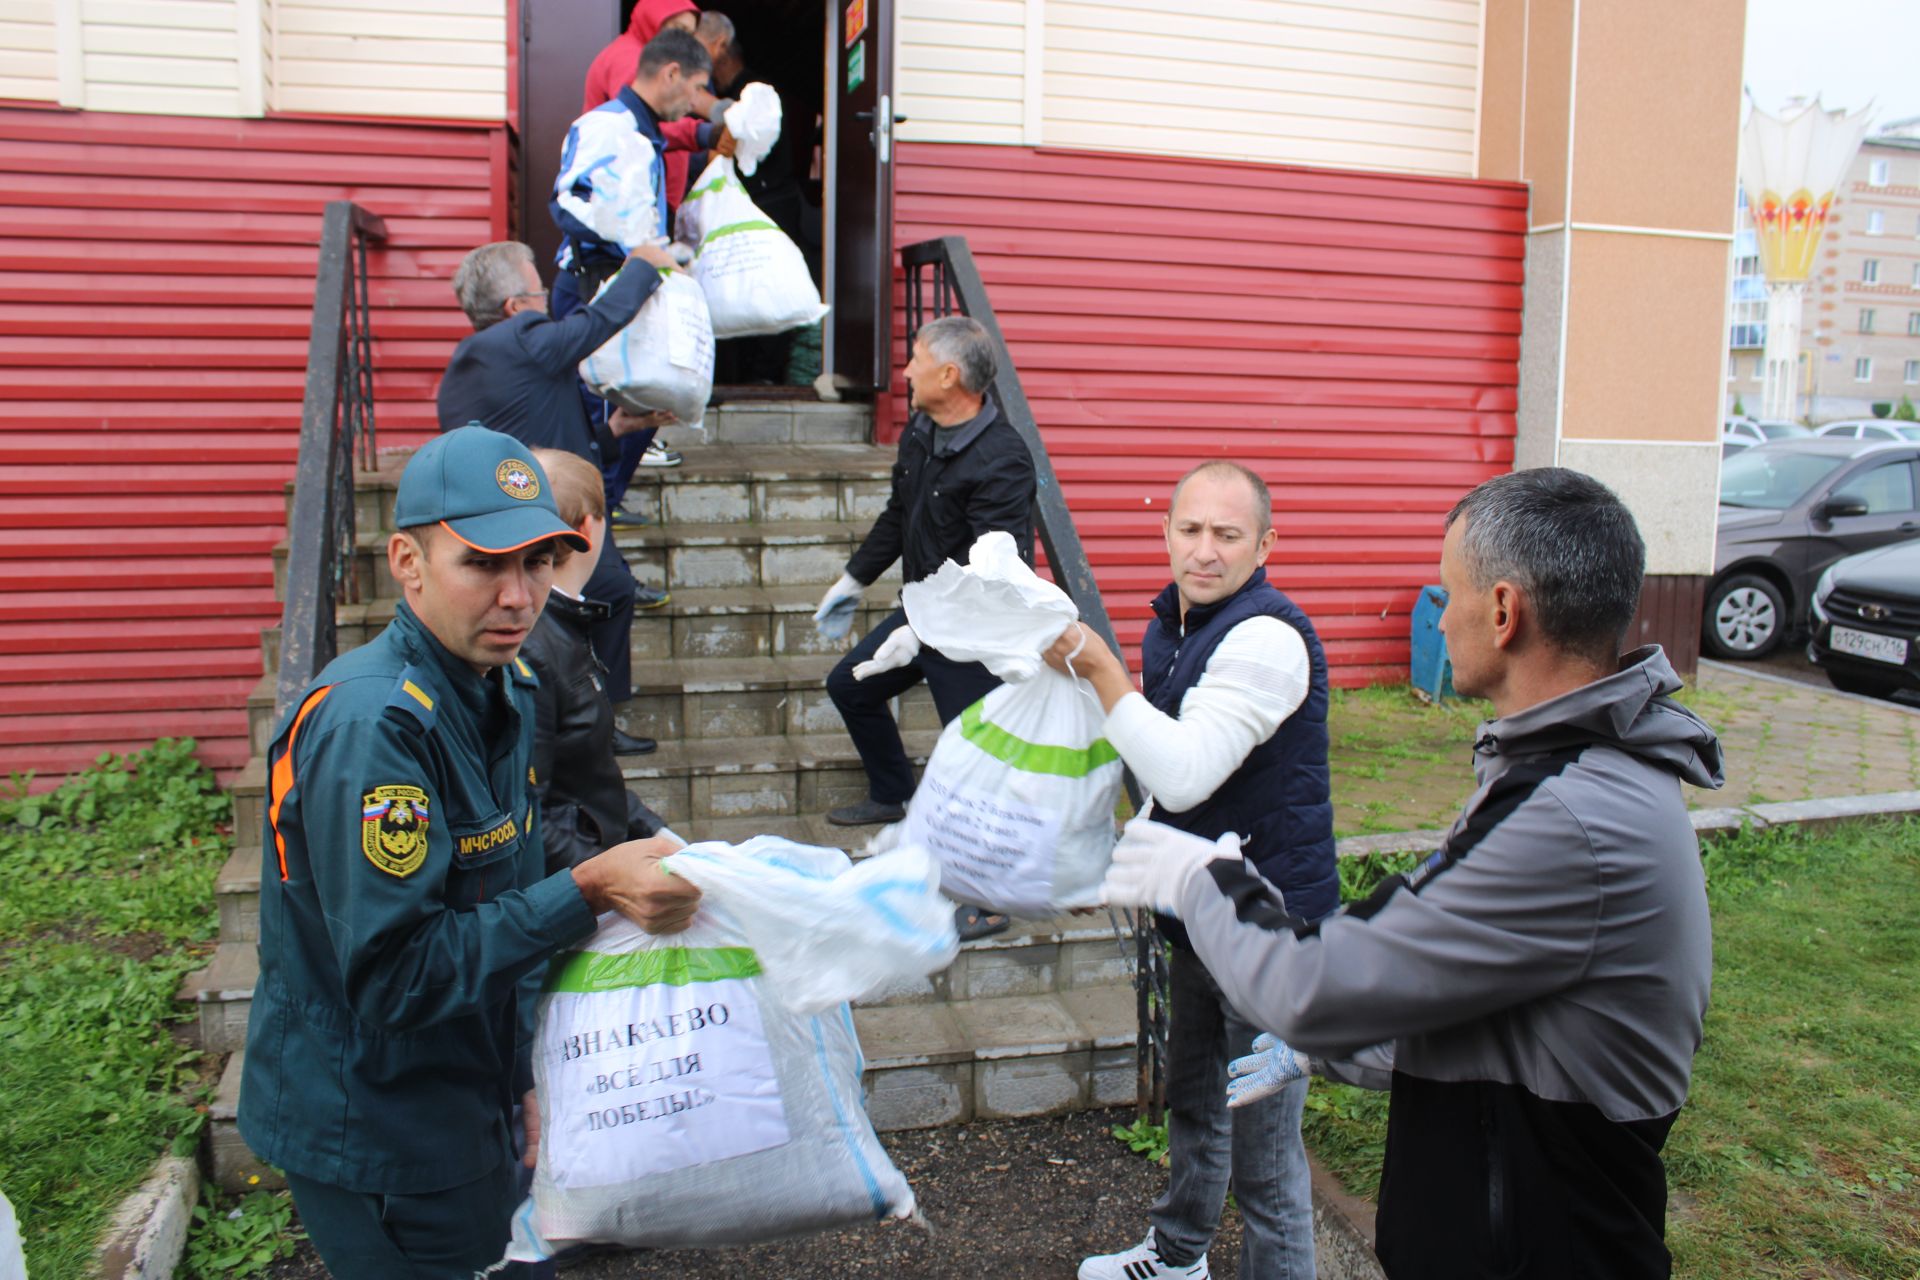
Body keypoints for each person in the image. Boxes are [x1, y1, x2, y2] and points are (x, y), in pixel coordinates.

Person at [1102, 468, 1725, 1280]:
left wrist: (1201, 881)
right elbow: (1490, 1004)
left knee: (1269, 1171)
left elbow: (1315, 990)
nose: (1442, 612)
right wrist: (1351, 1048)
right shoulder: (1561, 773)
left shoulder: (1568, 815)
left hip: (1541, 1254)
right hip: (1514, 1233)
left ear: (1503, 612)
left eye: (1447, 591)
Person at [237, 425, 702, 1277]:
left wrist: (525, 1070)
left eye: (536, 563)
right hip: (380, 1124)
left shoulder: (508, 687)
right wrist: (589, 888)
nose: (519, 596)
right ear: (408, 564)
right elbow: (397, 975)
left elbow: (507, 883)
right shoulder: (374, 726)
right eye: (483, 564)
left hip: (468, 1091)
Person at [1059, 461, 1335, 1280]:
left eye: (1228, 534)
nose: (1205, 551)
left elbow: (1181, 772)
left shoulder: (1268, 638)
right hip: (1199, 912)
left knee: (1268, 1158)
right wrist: (1112, 864)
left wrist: (1101, 673)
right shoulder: (1174, 625)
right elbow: (1175, 800)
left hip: (1270, 929)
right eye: (1190, 529)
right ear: (1166, 532)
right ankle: (1178, 1257)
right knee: (1194, 1101)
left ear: (1265, 544)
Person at [814, 316, 1035, 937]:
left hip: (976, 628)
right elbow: (898, 514)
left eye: (914, 358)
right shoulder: (922, 431)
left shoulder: (1003, 459)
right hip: (926, 612)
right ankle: (893, 792)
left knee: (979, 760)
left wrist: (927, 628)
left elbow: (994, 569)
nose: (904, 370)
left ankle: (990, 898)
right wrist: (854, 580)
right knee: (850, 686)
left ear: (950, 375)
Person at [438, 239, 674, 750]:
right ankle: (590, 728)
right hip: (540, 512)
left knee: (603, 593)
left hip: (508, 508)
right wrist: (641, 268)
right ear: (514, 306)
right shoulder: (522, 337)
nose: (549, 304)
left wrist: (619, 429)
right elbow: (591, 326)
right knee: (607, 591)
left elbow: (543, 428)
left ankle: (581, 722)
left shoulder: (479, 360)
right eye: (541, 292)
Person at [553, 26, 724, 509]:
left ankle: (603, 523)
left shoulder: (644, 134)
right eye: (695, 89)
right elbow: (568, 203)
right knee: (598, 417)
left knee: (640, 416)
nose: (696, 103)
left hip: (632, 287)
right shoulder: (609, 127)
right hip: (596, 289)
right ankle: (590, 538)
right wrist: (634, 248)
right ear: (672, 74)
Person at [521, 446, 672, 870]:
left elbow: (588, 773)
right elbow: (529, 811)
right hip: (577, 886)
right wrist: (613, 881)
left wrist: (655, 831)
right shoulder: (533, 644)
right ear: (589, 526)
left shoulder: (565, 620)